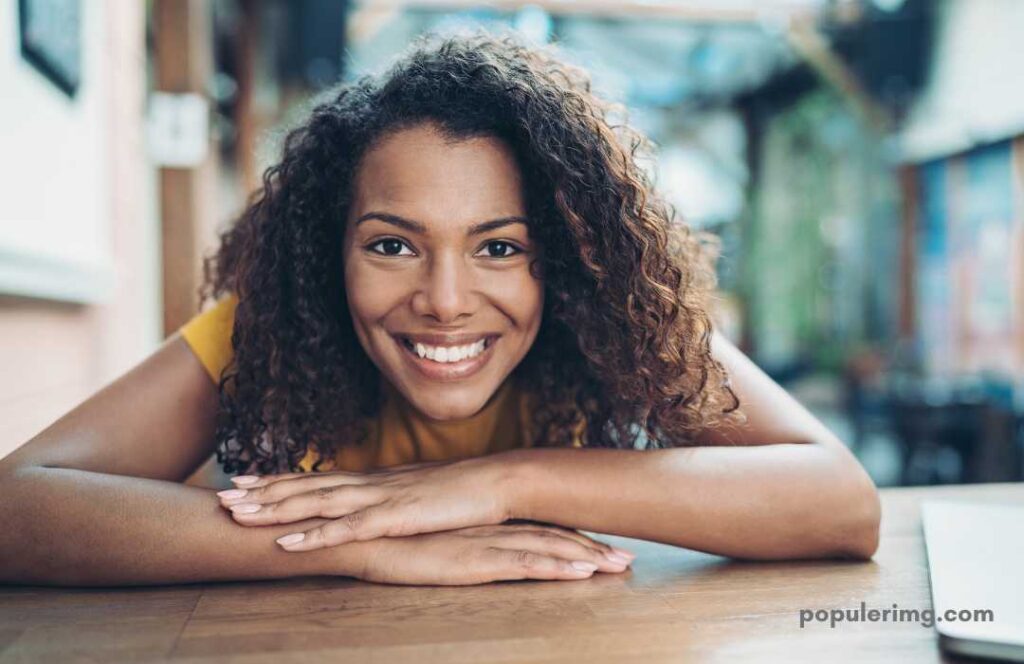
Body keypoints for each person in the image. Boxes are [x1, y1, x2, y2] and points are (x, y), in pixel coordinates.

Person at [0, 30, 880, 588]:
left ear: (563, 260)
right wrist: (366, 545)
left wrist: (500, 485)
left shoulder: (611, 314)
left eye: (501, 247)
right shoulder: (265, 319)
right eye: (391, 244)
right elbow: (17, 507)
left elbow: (841, 503)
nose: (446, 303)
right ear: (327, 251)